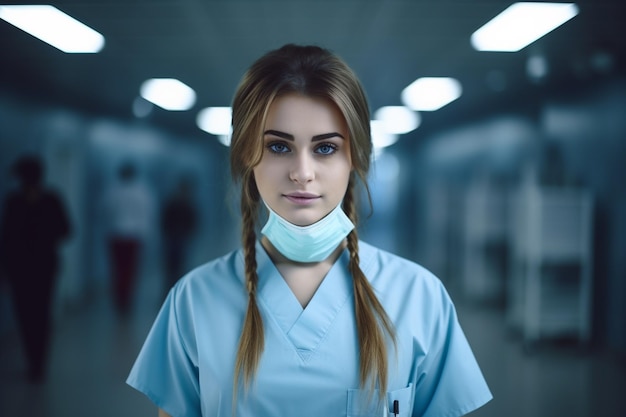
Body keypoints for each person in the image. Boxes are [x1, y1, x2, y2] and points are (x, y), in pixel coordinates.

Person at [127, 44, 492, 416]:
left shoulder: (419, 298)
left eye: (326, 148)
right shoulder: (193, 302)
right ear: (247, 157)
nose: (302, 172)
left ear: (355, 159)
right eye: (279, 146)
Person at [0, 154, 71, 382]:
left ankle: (37, 362)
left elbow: (66, 229)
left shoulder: (42, 200)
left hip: (38, 266)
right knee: (27, 313)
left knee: (38, 312)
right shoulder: (24, 200)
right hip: (28, 266)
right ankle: (34, 359)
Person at [102, 160, 155, 313]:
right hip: (134, 236)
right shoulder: (142, 191)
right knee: (130, 269)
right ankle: (127, 300)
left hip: (116, 235)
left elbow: (106, 210)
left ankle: (120, 300)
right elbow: (147, 213)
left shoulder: (112, 190)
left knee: (117, 269)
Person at [160, 177, 197, 292]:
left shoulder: (182, 204)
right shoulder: (182, 204)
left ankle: (173, 288)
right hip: (174, 238)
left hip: (179, 238)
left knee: (177, 265)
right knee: (173, 265)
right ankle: (172, 287)